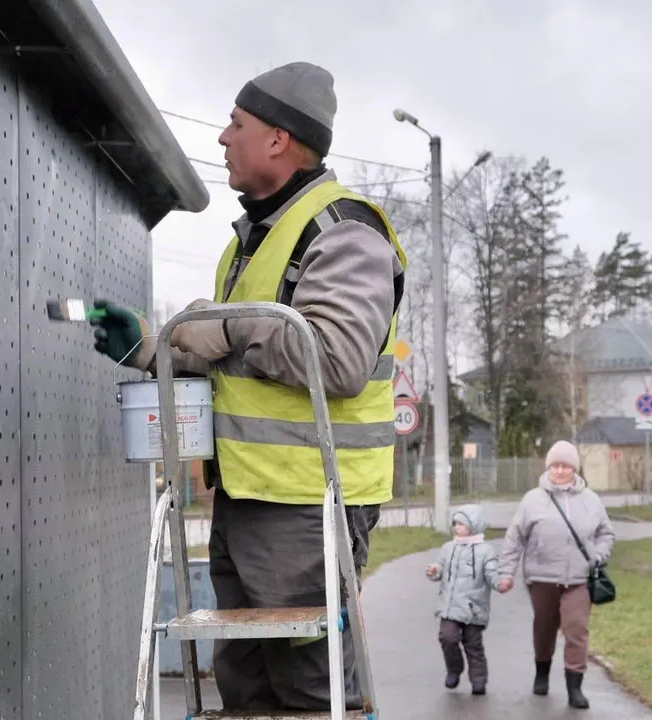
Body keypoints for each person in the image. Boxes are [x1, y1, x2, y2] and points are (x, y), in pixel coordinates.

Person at [90, 61, 407, 712]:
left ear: (279, 139)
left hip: (308, 503)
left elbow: (340, 361)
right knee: (247, 687)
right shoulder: (248, 245)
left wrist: (229, 324)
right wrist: (149, 350)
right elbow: (243, 364)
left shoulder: (342, 229)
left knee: (312, 690)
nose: (221, 139)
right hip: (248, 495)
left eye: (236, 124)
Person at [496, 440, 615, 710]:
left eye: (566, 466)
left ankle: (575, 688)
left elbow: (606, 533)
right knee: (544, 627)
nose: (560, 471)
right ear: (548, 466)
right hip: (542, 577)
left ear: (575, 469)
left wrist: (598, 556)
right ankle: (542, 672)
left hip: (579, 578)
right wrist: (506, 572)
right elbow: (514, 538)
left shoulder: (591, 500)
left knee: (576, 629)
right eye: (555, 465)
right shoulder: (533, 500)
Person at [425, 504, 503, 696]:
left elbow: (492, 573)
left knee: (473, 644)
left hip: (474, 608)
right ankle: (454, 669)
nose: (456, 527)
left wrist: (500, 583)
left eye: (461, 524)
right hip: (450, 606)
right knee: (447, 638)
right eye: (455, 523)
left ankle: (478, 680)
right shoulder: (448, 548)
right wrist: (433, 571)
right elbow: (439, 568)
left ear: (474, 525)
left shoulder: (486, 551)